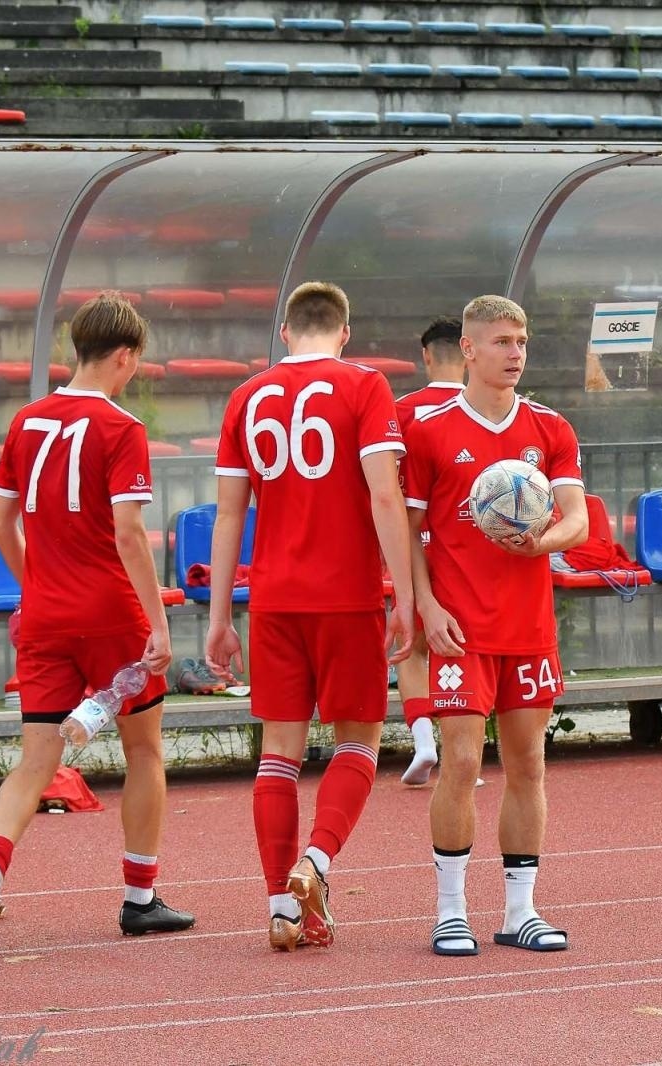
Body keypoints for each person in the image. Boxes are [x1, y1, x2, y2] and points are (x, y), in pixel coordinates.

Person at [0, 292, 193, 955]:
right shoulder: (121, 427)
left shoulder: (27, 420)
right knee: (144, 752)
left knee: (35, 761)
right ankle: (140, 898)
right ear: (125, 356)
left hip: (45, 614)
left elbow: (0, 521)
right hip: (112, 612)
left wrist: (36, 583)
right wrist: (157, 622)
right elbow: (128, 534)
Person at [205, 281, 413, 952]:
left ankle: (282, 909)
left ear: (285, 332)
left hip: (273, 598)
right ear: (344, 332)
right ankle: (316, 862)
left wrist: (218, 616)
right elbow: (385, 496)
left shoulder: (247, 395)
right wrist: (406, 596)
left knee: (278, 756)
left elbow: (229, 514)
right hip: (346, 596)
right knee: (360, 742)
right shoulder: (365, 386)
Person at [403, 295, 588, 957]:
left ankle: (519, 912)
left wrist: (542, 543)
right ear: (469, 349)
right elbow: (407, 532)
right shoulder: (429, 431)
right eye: (502, 342)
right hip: (460, 629)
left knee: (528, 765)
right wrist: (426, 608)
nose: (515, 353)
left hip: (529, 628)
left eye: (522, 341)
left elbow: (576, 520)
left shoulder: (550, 428)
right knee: (459, 762)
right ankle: (451, 911)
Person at [393, 316, 466, 786]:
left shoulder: (399, 411)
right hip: (460, 547)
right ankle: (462, 749)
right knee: (460, 645)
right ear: (469, 354)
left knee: (412, 648)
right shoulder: (483, 409)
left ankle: (424, 741)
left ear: (425, 356)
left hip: (410, 543)